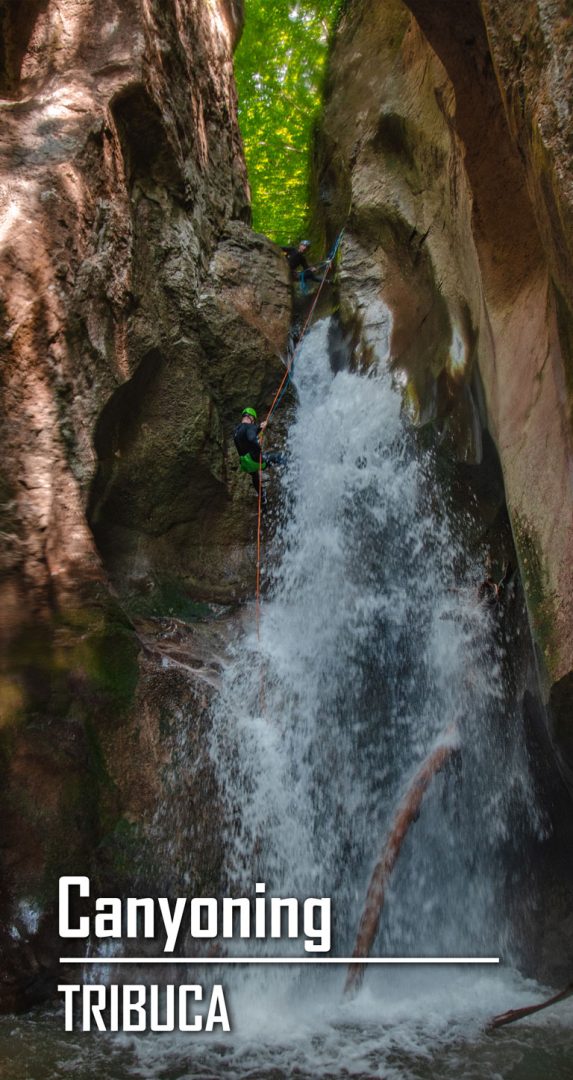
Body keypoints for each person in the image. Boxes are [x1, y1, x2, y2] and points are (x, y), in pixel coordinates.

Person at [233, 407, 286, 497]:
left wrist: (259, 428)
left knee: (254, 475)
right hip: (256, 460)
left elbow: (246, 435)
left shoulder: (236, 431)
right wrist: (258, 449)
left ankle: (262, 496)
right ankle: (293, 472)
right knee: (280, 457)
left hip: (246, 464)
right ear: (251, 418)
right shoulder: (251, 426)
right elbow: (251, 438)